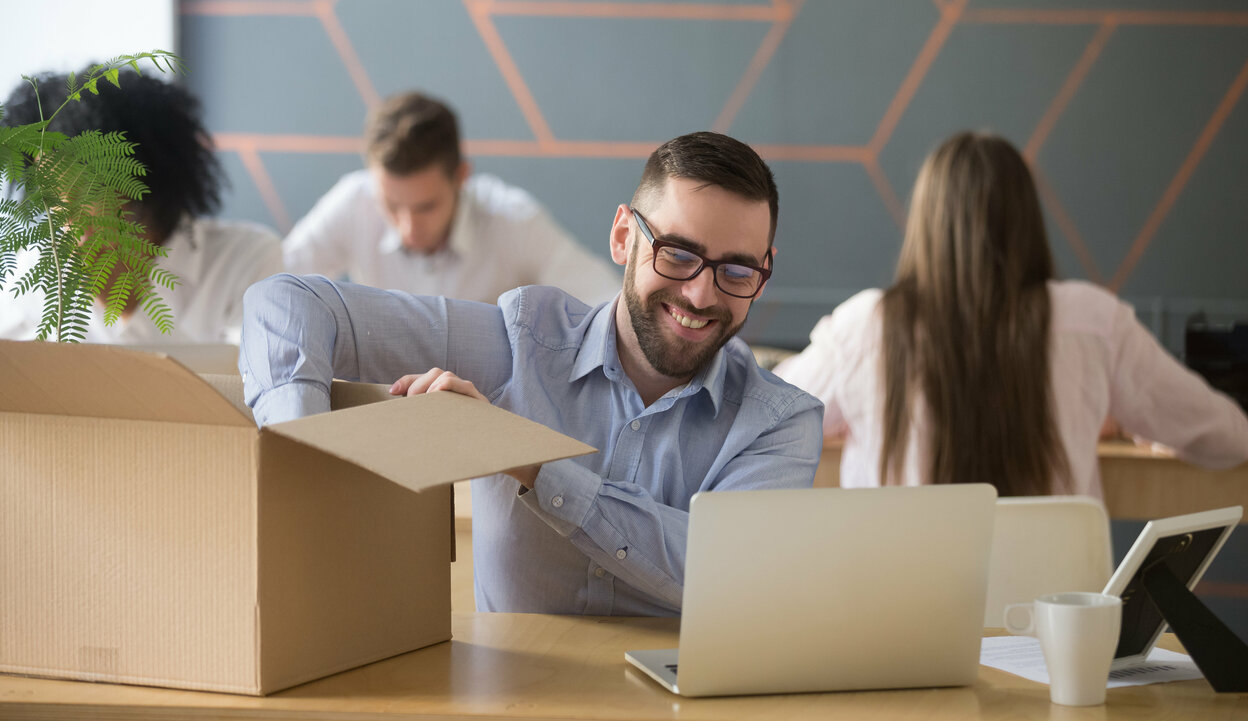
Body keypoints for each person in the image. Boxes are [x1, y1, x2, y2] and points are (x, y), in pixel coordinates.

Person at [240, 131, 823, 616]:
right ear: (624, 237)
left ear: (764, 271)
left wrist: (526, 459)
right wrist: (299, 465)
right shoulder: (519, 342)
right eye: (676, 254)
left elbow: (731, 572)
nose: (700, 294)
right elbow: (286, 303)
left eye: (738, 271)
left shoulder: (781, 424)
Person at [775, 131, 1248, 498]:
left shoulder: (865, 327)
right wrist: (1129, 419)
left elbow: (763, 421)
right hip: (1055, 621)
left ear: (925, 222)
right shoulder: (1093, 321)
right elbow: (1230, 440)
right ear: (1027, 219)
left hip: (902, 622)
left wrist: (846, 411)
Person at [0, 68, 282, 345]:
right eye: (48, 193)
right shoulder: (29, 274)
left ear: (140, 182)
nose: (58, 215)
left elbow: (250, 382)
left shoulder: (245, 262)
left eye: (78, 190)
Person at [282, 91, 620, 306]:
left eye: (426, 207)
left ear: (461, 177)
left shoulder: (512, 219)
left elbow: (606, 302)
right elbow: (276, 287)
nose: (407, 228)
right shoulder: (353, 201)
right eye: (391, 205)